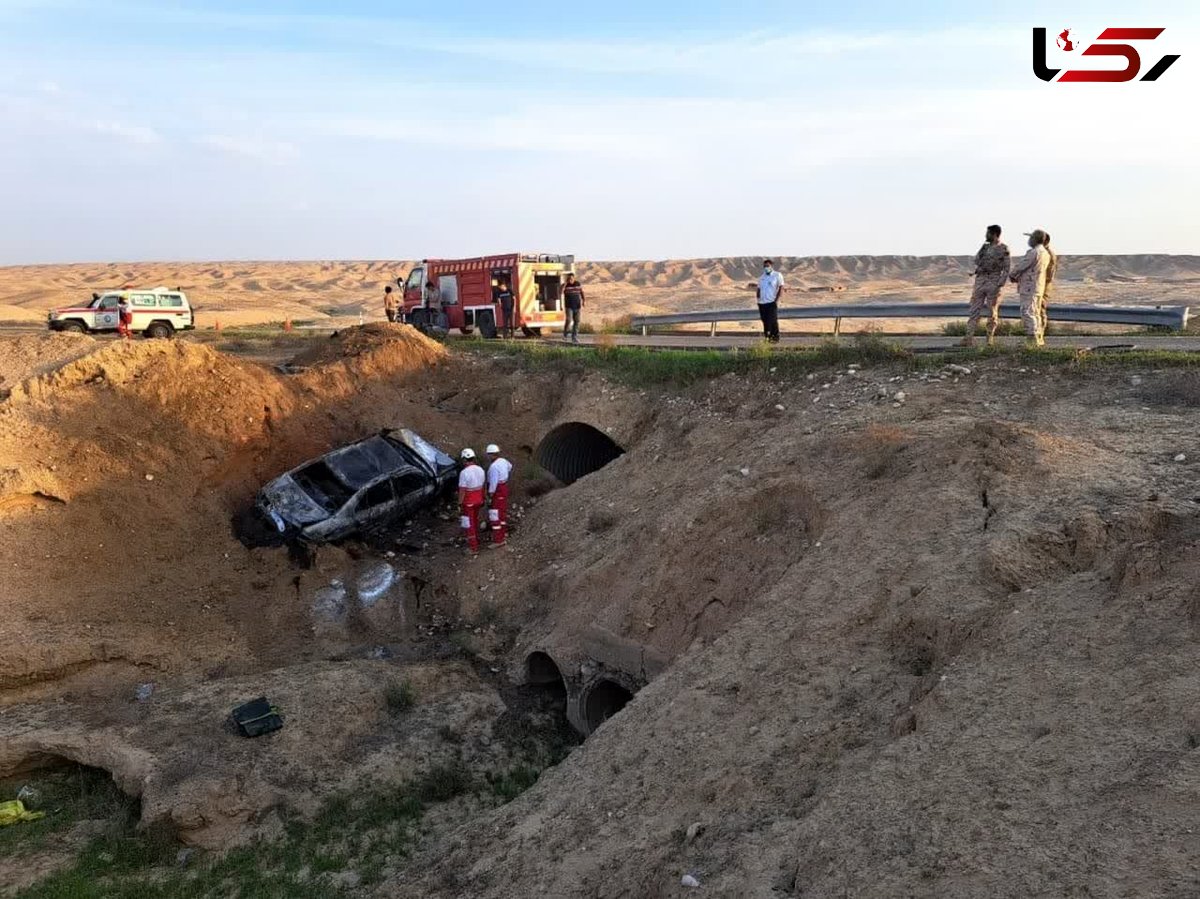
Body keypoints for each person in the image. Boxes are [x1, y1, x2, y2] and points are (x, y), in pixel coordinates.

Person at [963, 225, 1011, 346]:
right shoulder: (985, 247)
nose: (986, 236)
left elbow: (1007, 268)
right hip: (980, 280)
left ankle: (989, 339)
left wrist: (1000, 283)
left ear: (994, 234)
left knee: (992, 311)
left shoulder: (1004, 248)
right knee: (974, 309)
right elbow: (977, 261)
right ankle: (968, 338)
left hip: (993, 281)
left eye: (988, 233)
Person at [1009, 230, 1052, 346]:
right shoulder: (1046, 253)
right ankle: (1038, 338)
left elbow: (1022, 266)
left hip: (1029, 286)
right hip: (1038, 286)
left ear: (1034, 239)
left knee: (1027, 311)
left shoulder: (1034, 252)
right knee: (1035, 312)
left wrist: (1012, 275)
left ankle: (1031, 339)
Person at [457, 448, 486, 554]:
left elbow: (462, 490)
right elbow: (483, 486)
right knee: (475, 520)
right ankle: (475, 540)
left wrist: (459, 503)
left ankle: (473, 548)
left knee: (469, 523)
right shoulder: (480, 470)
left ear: (464, 459)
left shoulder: (464, 473)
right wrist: (483, 497)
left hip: (469, 501)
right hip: (478, 499)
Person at [485, 443, 512, 547]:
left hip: (498, 491)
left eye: (488, 455)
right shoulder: (504, 461)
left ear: (491, 455)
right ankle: (503, 533)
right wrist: (504, 475)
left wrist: (490, 496)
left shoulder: (494, 467)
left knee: (495, 515)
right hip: (504, 487)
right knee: (502, 512)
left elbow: (493, 484)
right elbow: (510, 467)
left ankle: (498, 540)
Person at [756, 259, 784, 342]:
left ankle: (774, 337)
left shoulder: (777, 275)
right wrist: (758, 298)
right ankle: (768, 337)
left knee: (772, 320)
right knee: (765, 320)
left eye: (767, 266)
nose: (766, 268)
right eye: (764, 266)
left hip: (771, 302)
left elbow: (781, 287)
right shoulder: (762, 277)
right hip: (762, 303)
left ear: (771, 266)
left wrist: (776, 300)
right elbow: (759, 288)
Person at [1040, 232, 1057, 337]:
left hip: (1044, 286)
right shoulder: (1042, 252)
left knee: (1040, 308)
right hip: (1040, 284)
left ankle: (1040, 333)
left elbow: (1049, 275)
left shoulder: (1048, 254)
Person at [563, 273, 584, 344]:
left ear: (574, 278)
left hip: (577, 306)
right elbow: (560, 292)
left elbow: (581, 292)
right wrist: (565, 284)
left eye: (571, 279)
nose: (570, 280)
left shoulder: (577, 284)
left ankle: (574, 337)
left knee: (577, 321)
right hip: (569, 306)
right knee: (568, 320)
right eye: (568, 279)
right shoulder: (565, 285)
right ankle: (565, 334)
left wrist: (584, 301)